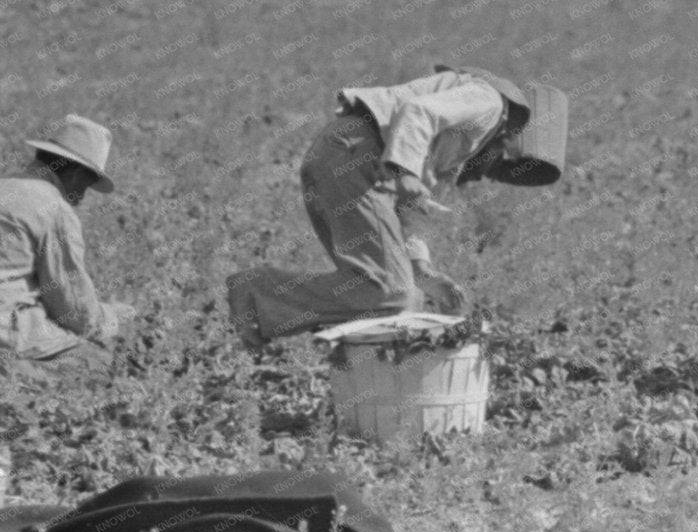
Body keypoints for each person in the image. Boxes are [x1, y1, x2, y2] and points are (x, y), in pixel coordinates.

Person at [226, 66, 568, 349]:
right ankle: (259, 291)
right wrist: (405, 173)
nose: (488, 172)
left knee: (396, 298)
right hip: (356, 157)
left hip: (344, 156)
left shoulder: (460, 145)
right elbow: (418, 112)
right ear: (515, 135)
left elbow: (410, 216)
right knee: (390, 297)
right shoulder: (488, 103)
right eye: (503, 162)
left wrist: (423, 270)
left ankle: (262, 305)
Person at [0, 114, 135, 379]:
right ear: (75, 172)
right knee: (99, 361)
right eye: (86, 184)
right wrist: (111, 318)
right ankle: (7, 370)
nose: (84, 196)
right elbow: (73, 308)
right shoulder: (54, 207)